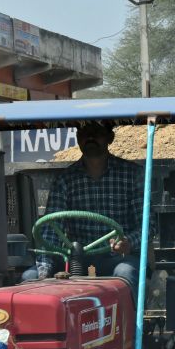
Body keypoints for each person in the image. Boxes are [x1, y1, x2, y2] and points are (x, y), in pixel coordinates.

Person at [25, 121, 145, 294]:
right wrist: (44, 272)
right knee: (30, 277)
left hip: (117, 257)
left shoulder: (132, 175)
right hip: (76, 259)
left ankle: (131, 321)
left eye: (96, 132)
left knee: (125, 272)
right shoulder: (65, 179)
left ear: (110, 138)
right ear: (78, 138)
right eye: (84, 133)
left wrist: (127, 242)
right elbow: (51, 230)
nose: (90, 137)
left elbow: (147, 225)